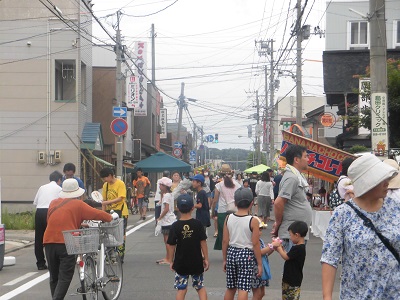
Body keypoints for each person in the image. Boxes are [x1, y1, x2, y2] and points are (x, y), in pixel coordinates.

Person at [321, 154, 400, 300]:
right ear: (368, 182)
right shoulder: (342, 214)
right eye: (382, 178)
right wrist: (327, 297)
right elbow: (330, 258)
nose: (387, 182)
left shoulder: (396, 208)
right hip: (357, 295)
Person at [43, 179, 118, 300]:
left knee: (54, 276)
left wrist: (78, 223)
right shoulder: (78, 204)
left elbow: (54, 221)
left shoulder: (53, 203)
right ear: (77, 192)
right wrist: (111, 217)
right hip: (66, 242)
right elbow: (97, 214)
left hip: (48, 241)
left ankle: (55, 297)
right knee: (65, 276)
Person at [167, 194, 209, 300]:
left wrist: (171, 260)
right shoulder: (198, 224)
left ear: (178, 208)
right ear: (192, 207)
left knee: (182, 289)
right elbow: (203, 242)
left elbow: (171, 245)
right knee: (200, 287)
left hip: (181, 262)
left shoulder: (175, 226)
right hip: (196, 261)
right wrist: (206, 258)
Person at [222, 187, 262, 300]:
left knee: (231, 287)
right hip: (246, 254)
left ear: (235, 203)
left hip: (231, 252)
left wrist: (224, 259)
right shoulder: (253, 220)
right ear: (251, 203)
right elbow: (255, 243)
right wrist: (259, 264)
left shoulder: (228, 218)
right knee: (243, 287)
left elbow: (225, 241)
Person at [271, 145, 312, 252]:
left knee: (294, 266)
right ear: (296, 159)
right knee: (293, 266)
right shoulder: (292, 178)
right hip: (293, 234)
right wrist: (278, 223)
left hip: (297, 233)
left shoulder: (296, 177)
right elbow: (278, 202)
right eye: (305, 156)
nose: (308, 159)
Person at [33, 170, 63, 270]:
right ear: (59, 180)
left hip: (39, 212)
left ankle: (40, 263)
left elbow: (35, 202)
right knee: (52, 237)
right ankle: (54, 262)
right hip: (51, 212)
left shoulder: (42, 187)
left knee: (39, 238)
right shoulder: (59, 189)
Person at [272, 221, 308, 300]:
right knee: (286, 296)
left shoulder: (299, 248)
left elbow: (286, 257)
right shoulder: (297, 247)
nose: (290, 238)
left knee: (291, 297)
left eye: (290, 235)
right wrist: (280, 249)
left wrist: (278, 248)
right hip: (289, 278)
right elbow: (288, 254)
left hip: (293, 280)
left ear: (296, 235)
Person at [100, 167, 129, 263]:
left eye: (105, 178)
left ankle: (120, 255)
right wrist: (103, 214)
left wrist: (108, 202)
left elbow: (121, 198)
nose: (104, 180)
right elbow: (104, 201)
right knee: (109, 234)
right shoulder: (105, 185)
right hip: (110, 212)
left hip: (121, 212)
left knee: (120, 234)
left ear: (110, 176)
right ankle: (110, 255)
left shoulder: (120, 183)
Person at [211, 164, 241, 250]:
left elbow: (215, 200)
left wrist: (213, 212)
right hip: (235, 211)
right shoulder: (237, 184)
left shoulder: (219, 185)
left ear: (221, 174)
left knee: (223, 233)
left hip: (222, 211)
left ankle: (225, 253)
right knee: (234, 232)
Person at [156, 177, 176, 265]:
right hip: (169, 220)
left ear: (165, 186)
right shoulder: (168, 195)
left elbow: (166, 209)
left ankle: (169, 258)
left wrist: (160, 217)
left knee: (167, 241)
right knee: (167, 240)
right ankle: (168, 257)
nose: (160, 186)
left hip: (167, 220)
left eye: (161, 185)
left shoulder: (167, 196)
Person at [251, 217, 273, 300]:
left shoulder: (260, 240)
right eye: (258, 230)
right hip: (256, 269)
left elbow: (265, 254)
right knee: (257, 293)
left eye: (260, 230)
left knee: (262, 293)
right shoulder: (253, 241)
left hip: (263, 268)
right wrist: (271, 246)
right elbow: (259, 252)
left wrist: (272, 248)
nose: (259, 232)